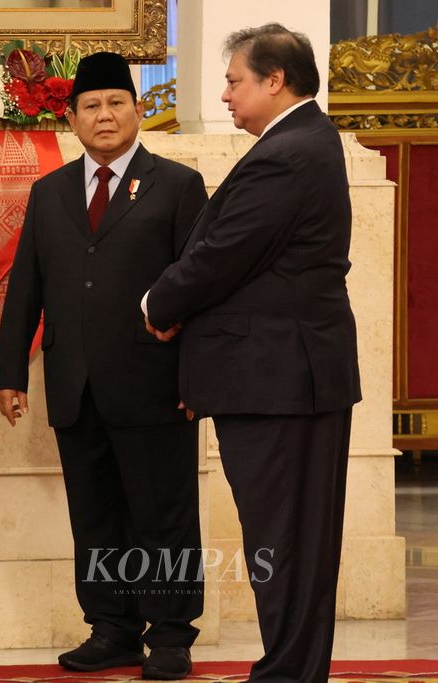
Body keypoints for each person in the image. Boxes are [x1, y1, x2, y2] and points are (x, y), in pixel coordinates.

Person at [144, 24, 362, 683]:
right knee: (287, 539)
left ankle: (290, 672)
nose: (226, 94)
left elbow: (220, 257)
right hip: (281, 378)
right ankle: (291, 668)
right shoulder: (298, 144)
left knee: (285, 540)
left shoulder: (287, 153)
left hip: (280, 381)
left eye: (236, 81)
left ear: (276, 80)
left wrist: (158, 303)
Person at [0, 52, 207, 680]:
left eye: (116, 103)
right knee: (95, 517)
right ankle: (110, 628)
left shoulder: (177, 185)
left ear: (138, 112)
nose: (104, 115)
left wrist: (197, 377)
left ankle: (169, 634)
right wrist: (8, 372)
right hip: (74, 385)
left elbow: (199, 291)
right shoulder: (49, 191)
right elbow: (24, 287)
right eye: (91, 106)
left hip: (155, 385)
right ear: (72, 118)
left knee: (162, 514)